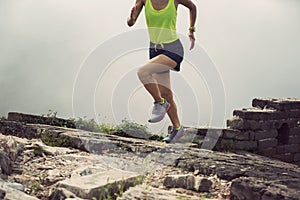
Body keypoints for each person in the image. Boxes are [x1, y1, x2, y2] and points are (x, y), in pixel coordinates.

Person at [127, 0, 197, 143]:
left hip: (173, 49)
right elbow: (131, 22)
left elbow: (192, 7)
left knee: (143, 72)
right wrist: (131, 17)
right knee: (166, 93)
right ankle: (178, 129)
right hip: (155, 50)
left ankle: (160, 103)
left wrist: (191, 29)